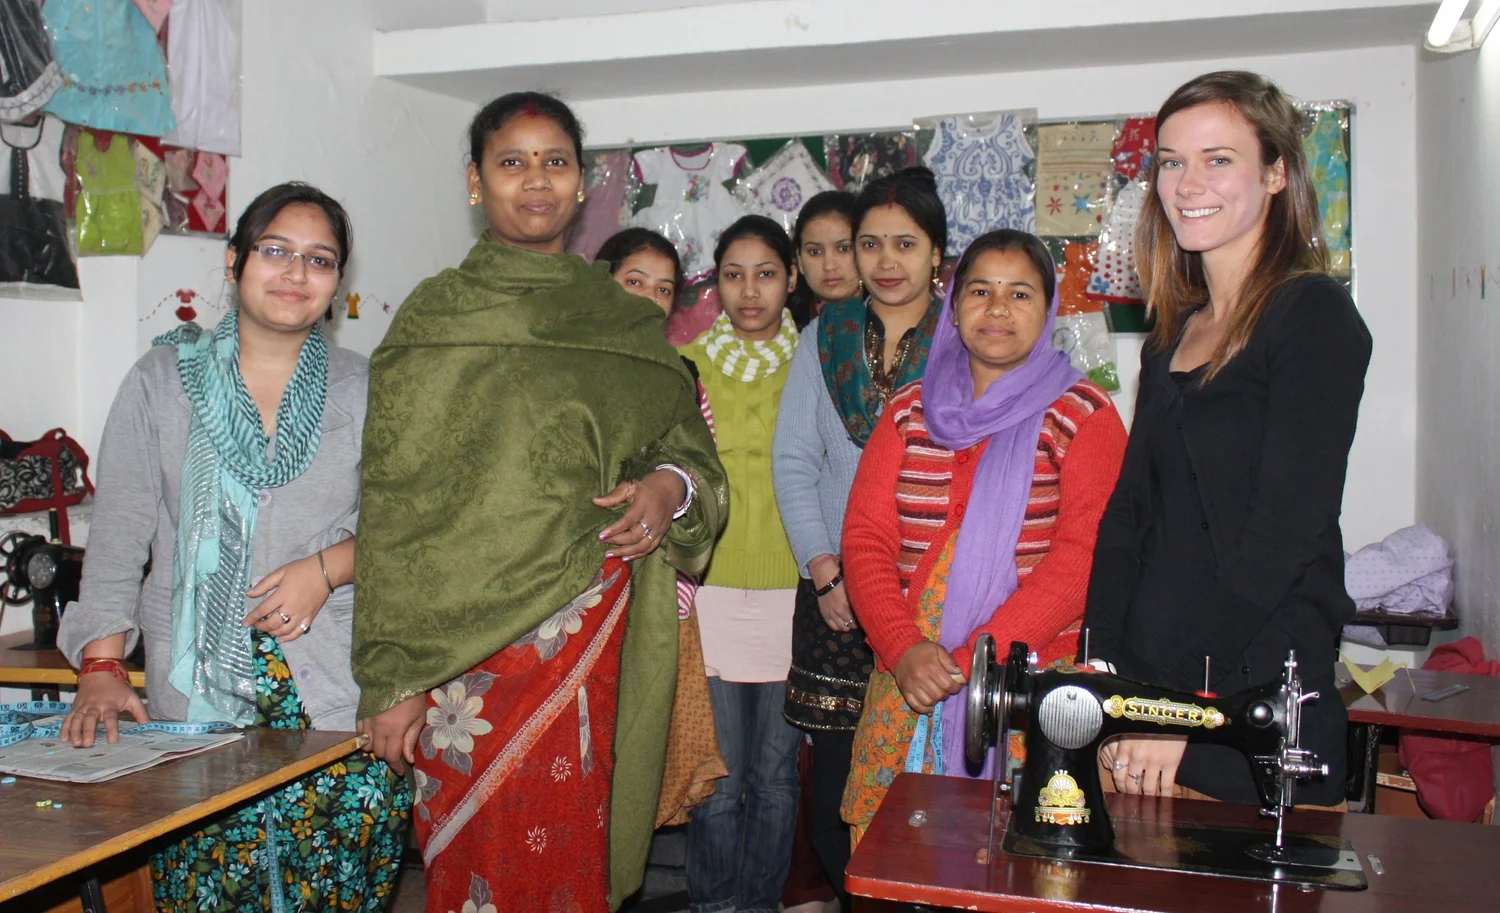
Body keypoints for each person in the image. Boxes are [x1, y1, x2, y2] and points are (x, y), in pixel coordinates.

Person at [352, 92, 727, 912]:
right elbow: (393, 507)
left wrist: (666, 487)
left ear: (582, 182)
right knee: (476, 871)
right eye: (511, 162)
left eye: (555, 161)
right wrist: (392, 673)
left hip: (583, 637)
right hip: (459, 659)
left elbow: (688, 454)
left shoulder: (622, 321)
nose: (535, 180)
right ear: (475, 181)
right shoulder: (436, 317)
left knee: (571, 862)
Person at [57, 182, 411, 911]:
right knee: (208, 884)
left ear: (336, 282)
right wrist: (101, 663)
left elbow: (414, 531)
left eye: (319, 259)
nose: (296, 272)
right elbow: (120, 535)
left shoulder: (367, 389)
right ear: (234, 261)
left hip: (335, 690)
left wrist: (329, 568)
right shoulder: (160, 383)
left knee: (335, 884)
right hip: (197, 699)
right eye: (275, 250)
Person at [1083, 70, 1372, 807]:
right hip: (1145, 704)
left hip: (1247, 709)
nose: (1187, 184)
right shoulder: (1169, 336)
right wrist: (1102, 666)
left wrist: (1183, 706)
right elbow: (1129, 515)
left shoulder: (1313, 317)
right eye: (1171, 161)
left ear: (1276, 172)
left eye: (1218, 159)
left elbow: (1282, 535)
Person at [840, 229, 1126, 841]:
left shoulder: (1084, 415)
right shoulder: (908, 411)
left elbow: (1082, 558)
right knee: (894, 860)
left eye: (1020, 293)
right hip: (908, 680)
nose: (998, 308)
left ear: (1047, 311)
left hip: (1027, 688)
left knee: (1015, 863)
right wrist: (903, 647)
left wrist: (980, 660)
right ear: (954, 305)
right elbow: (865, 540)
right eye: (980, 291)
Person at [771, 167, 946, 906]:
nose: (885, 260)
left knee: (928, 787)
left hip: (933, 598)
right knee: (836, 795)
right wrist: (825, 571)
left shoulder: (965, 338)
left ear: (938, 254)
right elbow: (794, 461)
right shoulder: (826, 336)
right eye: (869, 243)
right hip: (837, 597)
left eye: (906, 243)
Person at [679, 214, 805, 913]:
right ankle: (713, 905)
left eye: (766, 274)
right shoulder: (687, 365)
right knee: (720, 778)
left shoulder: (817, 365)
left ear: (791, 279)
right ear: (715, 283)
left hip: (796, 590)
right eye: (734, 275)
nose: (750, 291)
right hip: (711, 591)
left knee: (777, 777)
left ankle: (760, 904)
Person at [598, 226, 729, 829]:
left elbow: (706, 476)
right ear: (601, 282)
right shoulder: (562, 363)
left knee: (635, 759)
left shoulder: (681, 376)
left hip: (650, 587)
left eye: (664, 288)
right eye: (634, 281)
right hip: (562, 591)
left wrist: (669, 486)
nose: (649, 298)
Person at [787, 190, 859, 329]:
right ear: (799, 259)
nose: (829, 266)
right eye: (815, 252)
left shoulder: (891, 316)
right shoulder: (785, 327)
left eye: (843, 248)